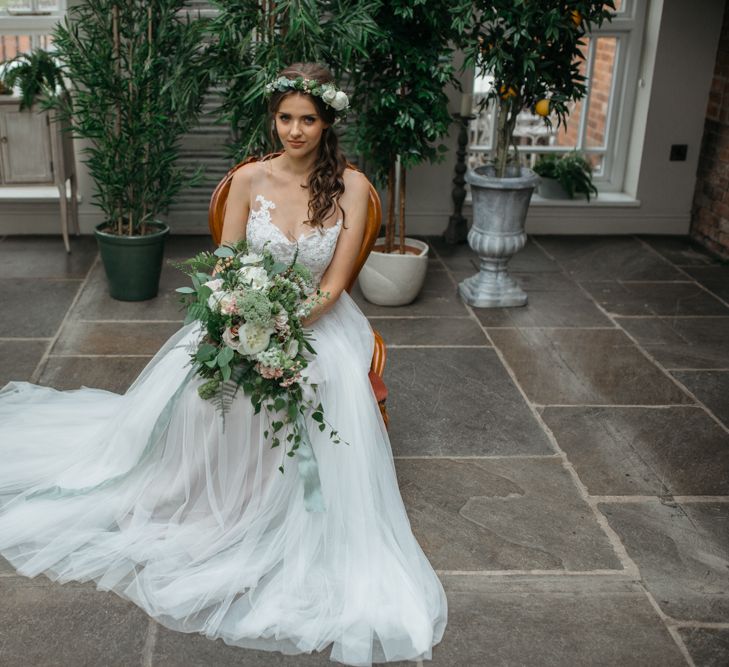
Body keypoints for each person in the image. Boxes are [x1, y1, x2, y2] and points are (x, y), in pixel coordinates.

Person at [0, 62, 447, 666]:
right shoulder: (248, 181)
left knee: (316, 382)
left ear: (327, 122)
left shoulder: (352, 188)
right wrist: (241, 319)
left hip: (317, 320)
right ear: (274, 119)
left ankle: (276, 505)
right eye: (285, 117)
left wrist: (283, 328)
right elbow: (225, 263)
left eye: (307, 119)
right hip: (245, 309)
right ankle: (202, 491)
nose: (294, 130)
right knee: (205, 378)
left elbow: (336, 286)